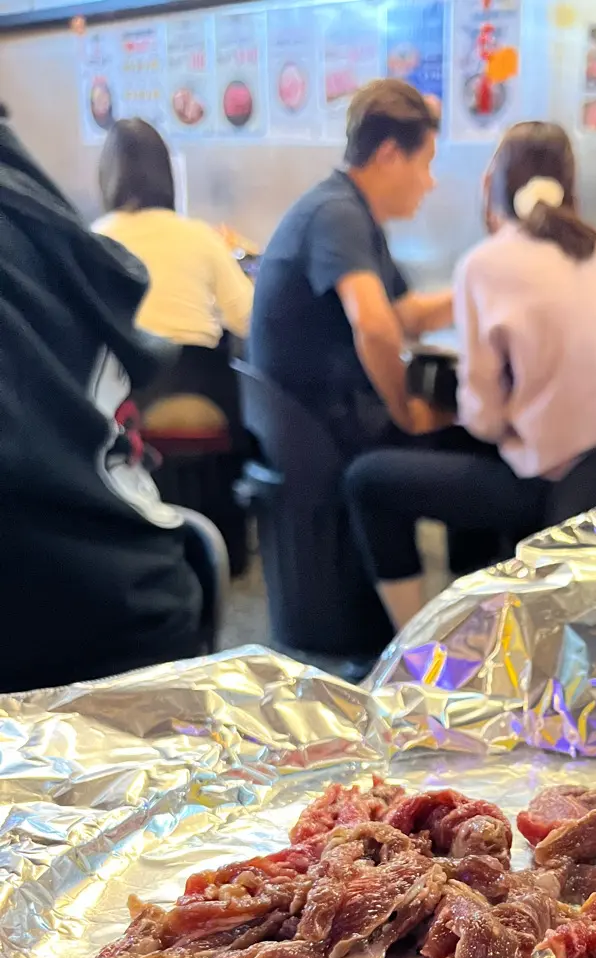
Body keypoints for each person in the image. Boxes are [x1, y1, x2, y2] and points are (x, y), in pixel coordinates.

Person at [343, 120, 596, 629]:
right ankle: (488, 625)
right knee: (480, 462)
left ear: (492, 186)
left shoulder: (484, 265)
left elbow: (483, 422)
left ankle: (414, 645)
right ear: (572, 185)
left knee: (367, 480)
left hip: (567, 495)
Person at [0, 107, 202, 693]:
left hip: (59, 656)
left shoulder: (98, 225)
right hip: (144, 591)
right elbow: (246, 314)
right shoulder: (33, 202)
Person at [249, 78, 452, 454]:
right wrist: (408, 414)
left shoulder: (350, 211)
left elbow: (408, 316)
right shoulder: (338, 215)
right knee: (479, 444)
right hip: (323, 439)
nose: (431, 183)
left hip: (325, 426)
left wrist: (482, 290)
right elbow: (373, 327)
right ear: (389, 156)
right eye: (426, 164)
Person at [94, 119, 253, 431]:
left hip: (125, 406)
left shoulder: (95, 239)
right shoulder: (199, 235)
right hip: (204, 398)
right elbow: (248, 319)